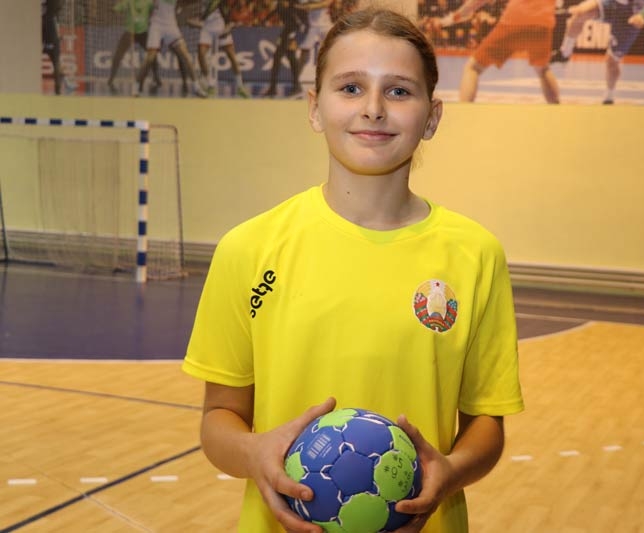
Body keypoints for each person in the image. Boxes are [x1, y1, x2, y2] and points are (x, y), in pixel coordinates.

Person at [182, 7, 524, 533]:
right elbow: (217, 421)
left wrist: (450, 471)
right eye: (350, 88)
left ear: (432, 117)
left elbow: (486, 425)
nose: (373, 109)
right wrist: (255, 453)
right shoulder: (248, 249)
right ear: (314, 108)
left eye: (398, 91)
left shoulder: (476, 254)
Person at [426, 0, 559, 103]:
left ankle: (465, 110)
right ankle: (556, 110)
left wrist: (454, 17)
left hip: (514, 19)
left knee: (473, 68)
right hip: (543, 23)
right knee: (543, 69)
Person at [550, 0, 644, 104]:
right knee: (580, 13)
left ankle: (609, 97)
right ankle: (564, 53)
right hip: (613, 3)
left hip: (632, 13)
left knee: (612, 62)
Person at [133, 0, 206, 98]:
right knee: (150, 57)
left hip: (170, 25)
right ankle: (136, 86)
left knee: (186, 56)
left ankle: (196, 87)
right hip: (156, 25)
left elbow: (184, 3)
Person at [188, 0, 251, 97]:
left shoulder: (220, 2)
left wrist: (228, 26)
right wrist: (195, 21)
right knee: (201, 54)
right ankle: (210, 84)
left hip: (221, 27)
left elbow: (228, 11)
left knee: (232, 56)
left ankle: (240, 86)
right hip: (207, 28)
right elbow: (197, 11)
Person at [108, 0, 162, 95]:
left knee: (153, 55)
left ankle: (156, 77)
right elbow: (117, 8)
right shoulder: (128, 1)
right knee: (118, 55)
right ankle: (111, 78)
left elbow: (156, 9)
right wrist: (113, 9)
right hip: (130, 32)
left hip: (143, 33)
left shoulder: (148, 2)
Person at [263, 0, 305, 97]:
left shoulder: (293, 4)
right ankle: (295, 86)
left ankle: (275, 88)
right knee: (288, 58)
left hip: (293, 32)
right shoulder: (279, 5)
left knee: (281, 58)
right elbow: (275, 11)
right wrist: (265, 19)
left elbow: (299, 21)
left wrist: (294, 37)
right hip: (287, 31)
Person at [296, 0, 334, 87]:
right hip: (313, 27)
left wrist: (313, 6)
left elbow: (327, 3)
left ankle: (330, 79)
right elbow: (302, 5)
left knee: (330, 53)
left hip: (326, 27)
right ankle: (296, 80)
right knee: (304, 52)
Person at [42, 0, 65, 95]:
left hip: (46, 35)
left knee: (57, 63)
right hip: (51, 37)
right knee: (56, 62)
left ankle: (58, 86)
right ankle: (58, 89)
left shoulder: (45, 16)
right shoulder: (52, 16)